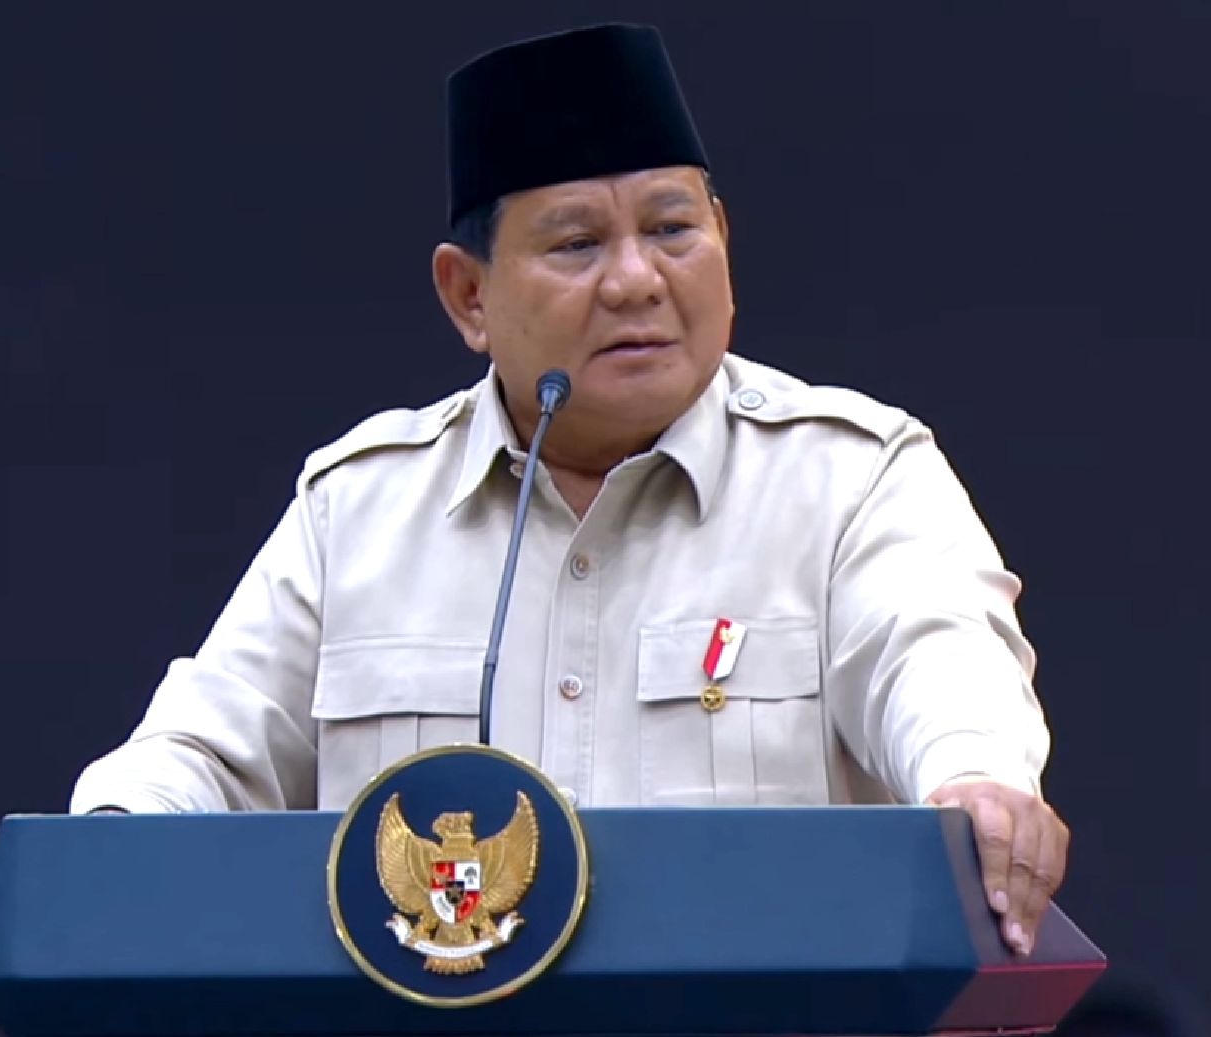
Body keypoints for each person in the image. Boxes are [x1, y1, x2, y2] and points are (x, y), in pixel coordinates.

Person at [71, 23, 1069, 958]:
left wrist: (974, 777)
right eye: (576, 244)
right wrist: (110, 835)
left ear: (723, 239)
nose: (636, 279)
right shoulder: (359, 511)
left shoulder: (850, 474)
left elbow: (939, 657)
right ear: (469, 295)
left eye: (672, 228)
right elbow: (204, 751)